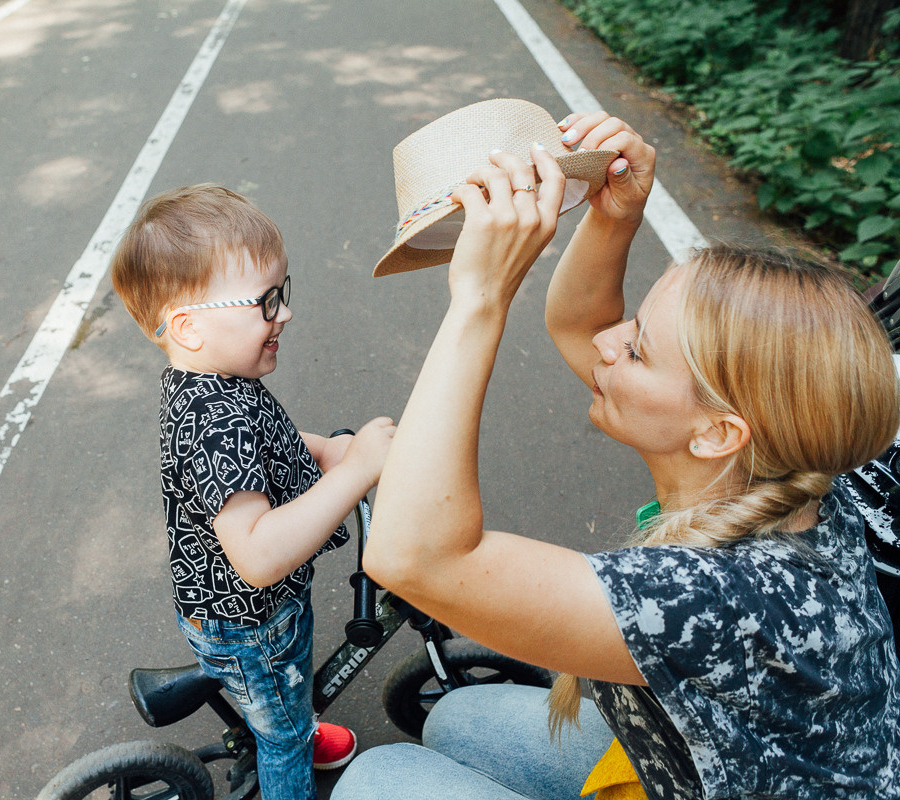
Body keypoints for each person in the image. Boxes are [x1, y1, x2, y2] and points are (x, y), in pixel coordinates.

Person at [331, 114, 900, 800]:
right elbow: (582, 326)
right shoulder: (793, 473)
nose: (611, 343)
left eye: (638, 349)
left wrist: (479, 299)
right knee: (457, 718)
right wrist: (615, 217)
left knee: (380, 777)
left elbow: (413, 557)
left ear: (719, 432)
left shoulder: (718, 598)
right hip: (715, 763)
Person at [110, 184, 395, 800]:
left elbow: (274, 439)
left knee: (282, 699)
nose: (283, 314)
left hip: (238, 610)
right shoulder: (215, 419)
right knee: (283, 737)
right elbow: (259, 555)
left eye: (281, 295)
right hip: (253, 621)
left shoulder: (216, 381)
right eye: (266, 303)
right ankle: (288, 740)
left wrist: (325, 451)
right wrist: (354, 473)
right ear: (188, 327)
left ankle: (286, 714)